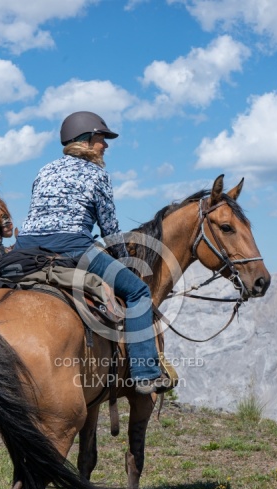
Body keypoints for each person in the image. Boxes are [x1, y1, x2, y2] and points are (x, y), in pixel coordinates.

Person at [14, 110, 173, 395]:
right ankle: (146, 373)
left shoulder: (44, 170)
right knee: (137, 292)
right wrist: (126, 260)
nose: (106, 145)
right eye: (102, 138)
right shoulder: (96, 174)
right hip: (73, 246)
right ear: (85, 140)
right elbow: (110, 229)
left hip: (25, 248)